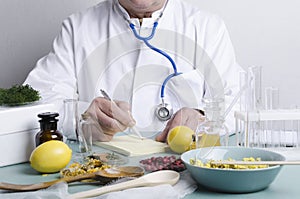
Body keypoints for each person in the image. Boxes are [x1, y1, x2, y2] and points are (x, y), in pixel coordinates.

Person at [24, 0, 243, 142]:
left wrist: (202, 118)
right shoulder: (77, 29)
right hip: (103, 173)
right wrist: (82, 121)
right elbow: (36, 105)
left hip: (185, 173)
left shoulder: (207, 28)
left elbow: (239, 104)